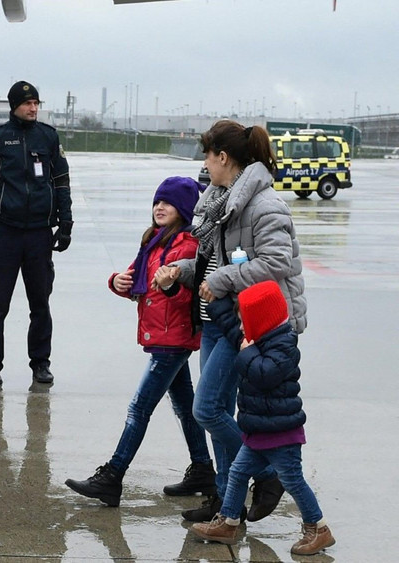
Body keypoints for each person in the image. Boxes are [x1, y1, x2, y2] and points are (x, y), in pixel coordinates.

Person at [154, 120, 306, 523]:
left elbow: (275, 263)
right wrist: (179, 270)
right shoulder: (217, 201)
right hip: (216, 318)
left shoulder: (263, 203)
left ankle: (267, 470)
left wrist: (220, 280)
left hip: (247, 322)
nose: (204, 163)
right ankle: (227, 501)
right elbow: (211, 264)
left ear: (223, 157)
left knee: (206, 410)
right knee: (218, 408)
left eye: (207, 154)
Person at [65, 177, 215, 507]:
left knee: (139, 409)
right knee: (184, 406)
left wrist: (171, 286)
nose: (159, 207)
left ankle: (113, 476)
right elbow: (136, 282)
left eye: (169, 203)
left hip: (173, 339)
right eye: (157, 202)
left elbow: (189, 300)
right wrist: (115, 281)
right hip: (161, 335)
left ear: (185, 209)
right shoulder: (154, 242)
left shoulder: (188, 247)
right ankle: (204, 469)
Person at [190, 281, 334, 556]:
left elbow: (265, 375)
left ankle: (319, 528)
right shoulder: (261, 339)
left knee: (292, 480)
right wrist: (218, 304)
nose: (241, 329)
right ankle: (229, 521)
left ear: (261, 321)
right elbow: (243, 343)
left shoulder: (283, 345)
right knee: (238, 472)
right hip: (258, 431)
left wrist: (247, 352)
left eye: (246, 322)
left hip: (281, 433)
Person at [0, 80, 72, 386]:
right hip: (5, 233)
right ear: (14, 106)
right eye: (27, 103)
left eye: (37, 103)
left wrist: (66, 224)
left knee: (41, 304)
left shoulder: (48, 137)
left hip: (39, 234)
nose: (33, 108)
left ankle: (40, 362)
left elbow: (62, 182)